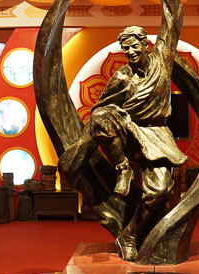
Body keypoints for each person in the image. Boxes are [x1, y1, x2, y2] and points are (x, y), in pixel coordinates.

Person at [59, 25, 187, 261]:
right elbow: (98, 112)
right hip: (129, 133)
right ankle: (123, 169)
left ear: (146, 44)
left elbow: (172, 19)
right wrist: (79, 153)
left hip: (157, 135)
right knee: (101, 115)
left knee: (161, 191)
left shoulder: (162, 61)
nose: (130, 52)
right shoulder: (122, 77)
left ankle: (129, 235)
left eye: (134, 46)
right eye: (125, 48)